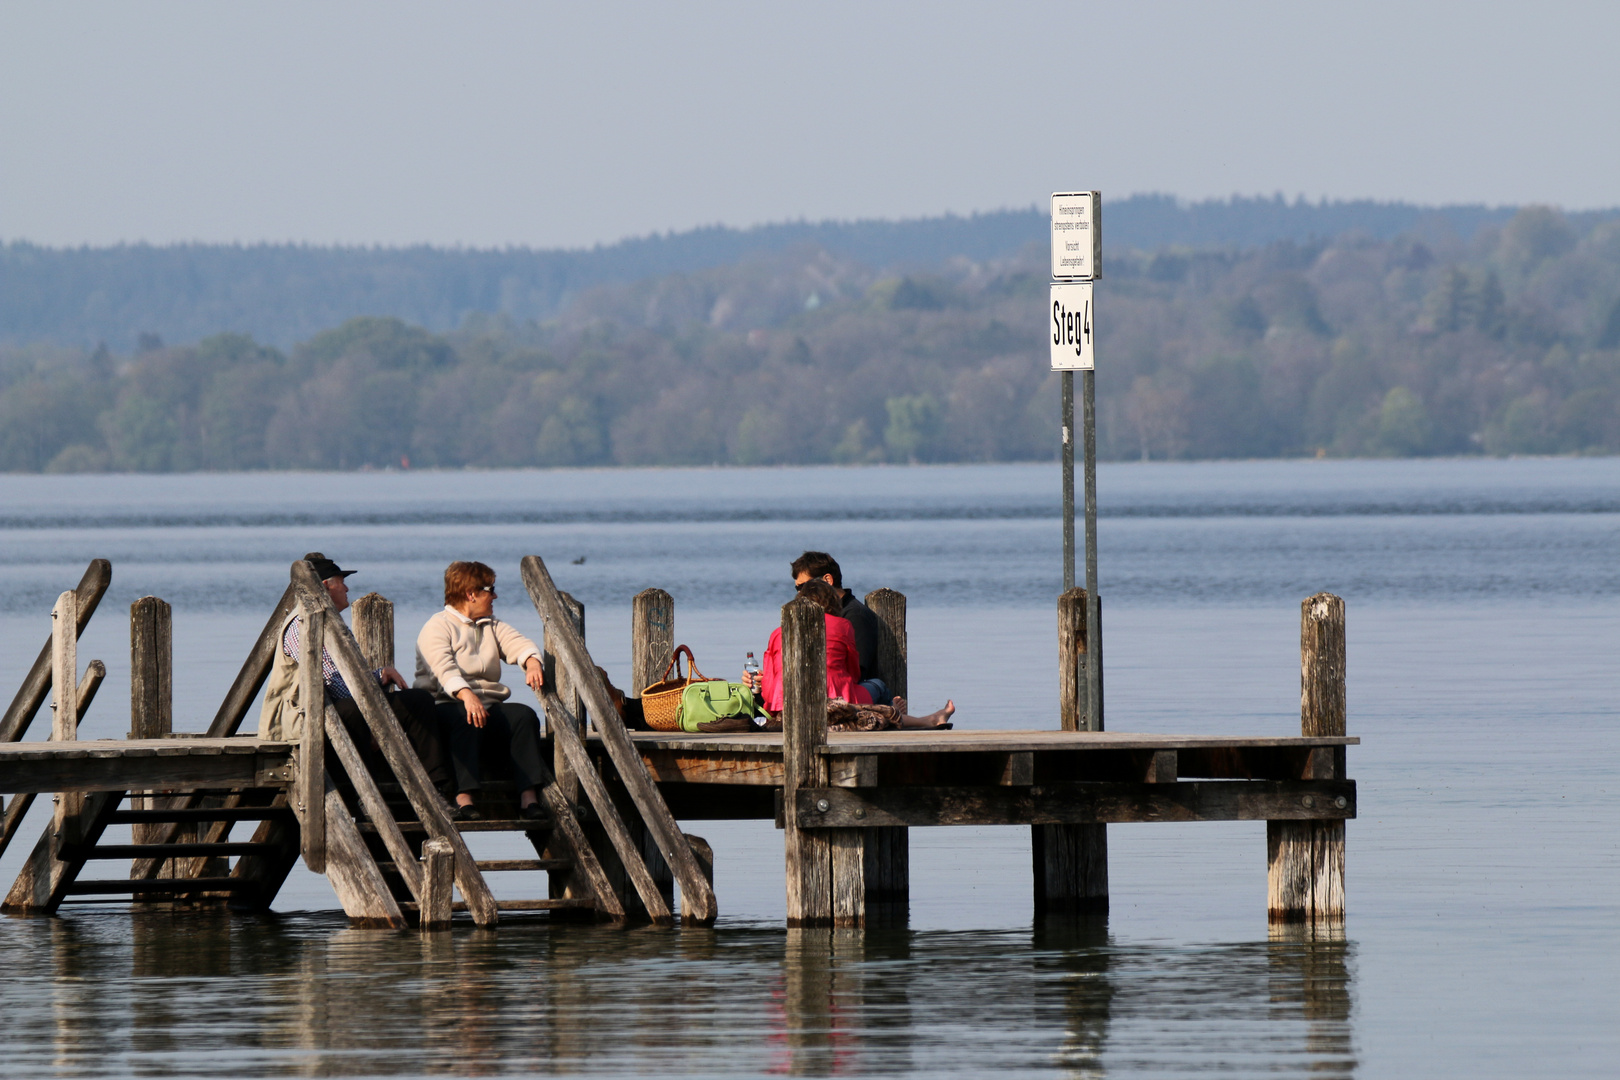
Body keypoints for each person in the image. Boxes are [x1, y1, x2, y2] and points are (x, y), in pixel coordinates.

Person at [258, 552, 454, 800]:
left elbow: (345, 677)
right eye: (342, 581)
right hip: (307, 716)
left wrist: (379, 675)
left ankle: (436, 788)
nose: (347, 588)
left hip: (344, 706)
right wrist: (376, 719)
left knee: (419, 701)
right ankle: (367, 796)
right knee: (352, 709)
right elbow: (331, 681)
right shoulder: (301, 625)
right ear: (327, 586)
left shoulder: (330, 621)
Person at [414, 561, 548, 822]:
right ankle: (464, 798)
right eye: (491, 589)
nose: (495, 595)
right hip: (443, 706)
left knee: (523, 716)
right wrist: (466, 695)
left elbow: (518, 644)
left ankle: (528, 799)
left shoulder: (490, 624)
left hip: (485, 705)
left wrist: (531, 661)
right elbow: (443, 669)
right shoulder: (437, 626)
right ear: (471, 593)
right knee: (466, 717)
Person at [750, 580, 954, 731]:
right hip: (839, 699)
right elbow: (854, 672)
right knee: (878, 685)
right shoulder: (842, 625)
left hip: (784, 705)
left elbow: (768, 685)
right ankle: (899, 713)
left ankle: (905, 715)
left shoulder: (778, 632)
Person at [790, 551, 891, 705]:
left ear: (827, 580)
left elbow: (857, 672)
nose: (801, 594)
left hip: (845, 694)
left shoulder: (855, 616)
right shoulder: (815, 617)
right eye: (798, 589)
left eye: (805, 586)